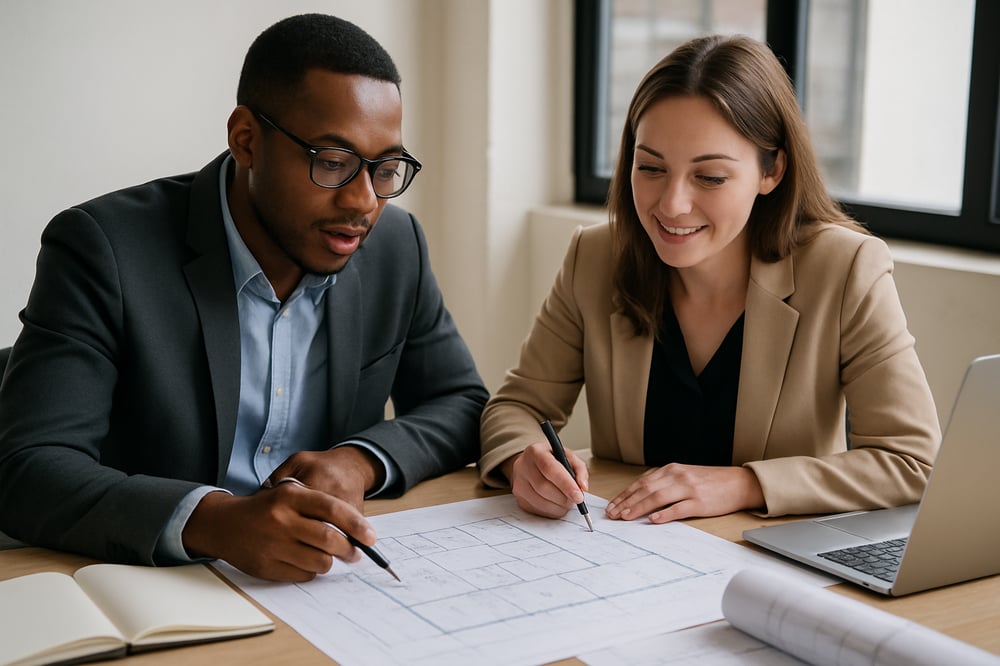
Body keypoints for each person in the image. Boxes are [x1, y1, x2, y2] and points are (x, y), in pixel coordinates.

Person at [0, 14, 488, 582]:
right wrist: (216, 521)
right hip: (143, 580)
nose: (364, 202)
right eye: (333, 162)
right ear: (246, 139)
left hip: (313, 593)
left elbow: (460, 401)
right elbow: (27, 469)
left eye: (385, 168)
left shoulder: (396, 248)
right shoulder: (103, 248)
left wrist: (359, 462)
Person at [479, 34, 941, 526]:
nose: (672, 204)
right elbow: (517, 406)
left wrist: (743, 483)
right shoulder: (594, 257)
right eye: (651, 167)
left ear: (772, 171)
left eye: (711, 177)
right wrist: (522, 458)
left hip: (768, 568)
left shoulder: (846, 269)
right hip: (624, 553)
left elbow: (912, 461)